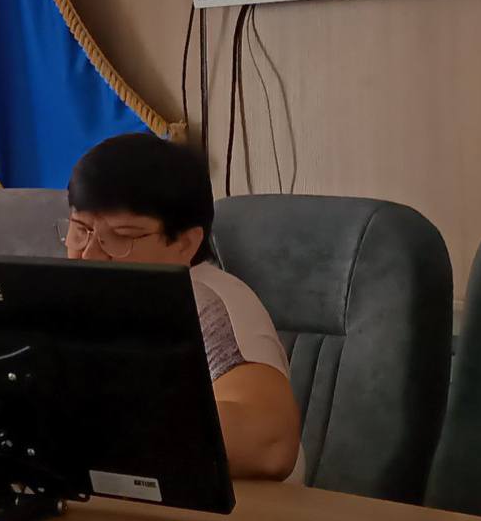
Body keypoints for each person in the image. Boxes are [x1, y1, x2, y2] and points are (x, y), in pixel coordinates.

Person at [64, 133, 304, 482]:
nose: (90, 254)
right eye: (81, 230)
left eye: (122, 237)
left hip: (243, 506)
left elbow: (270, 444)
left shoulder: (207, 303)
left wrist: (83, 426)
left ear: (185, 243)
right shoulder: (90, 295)